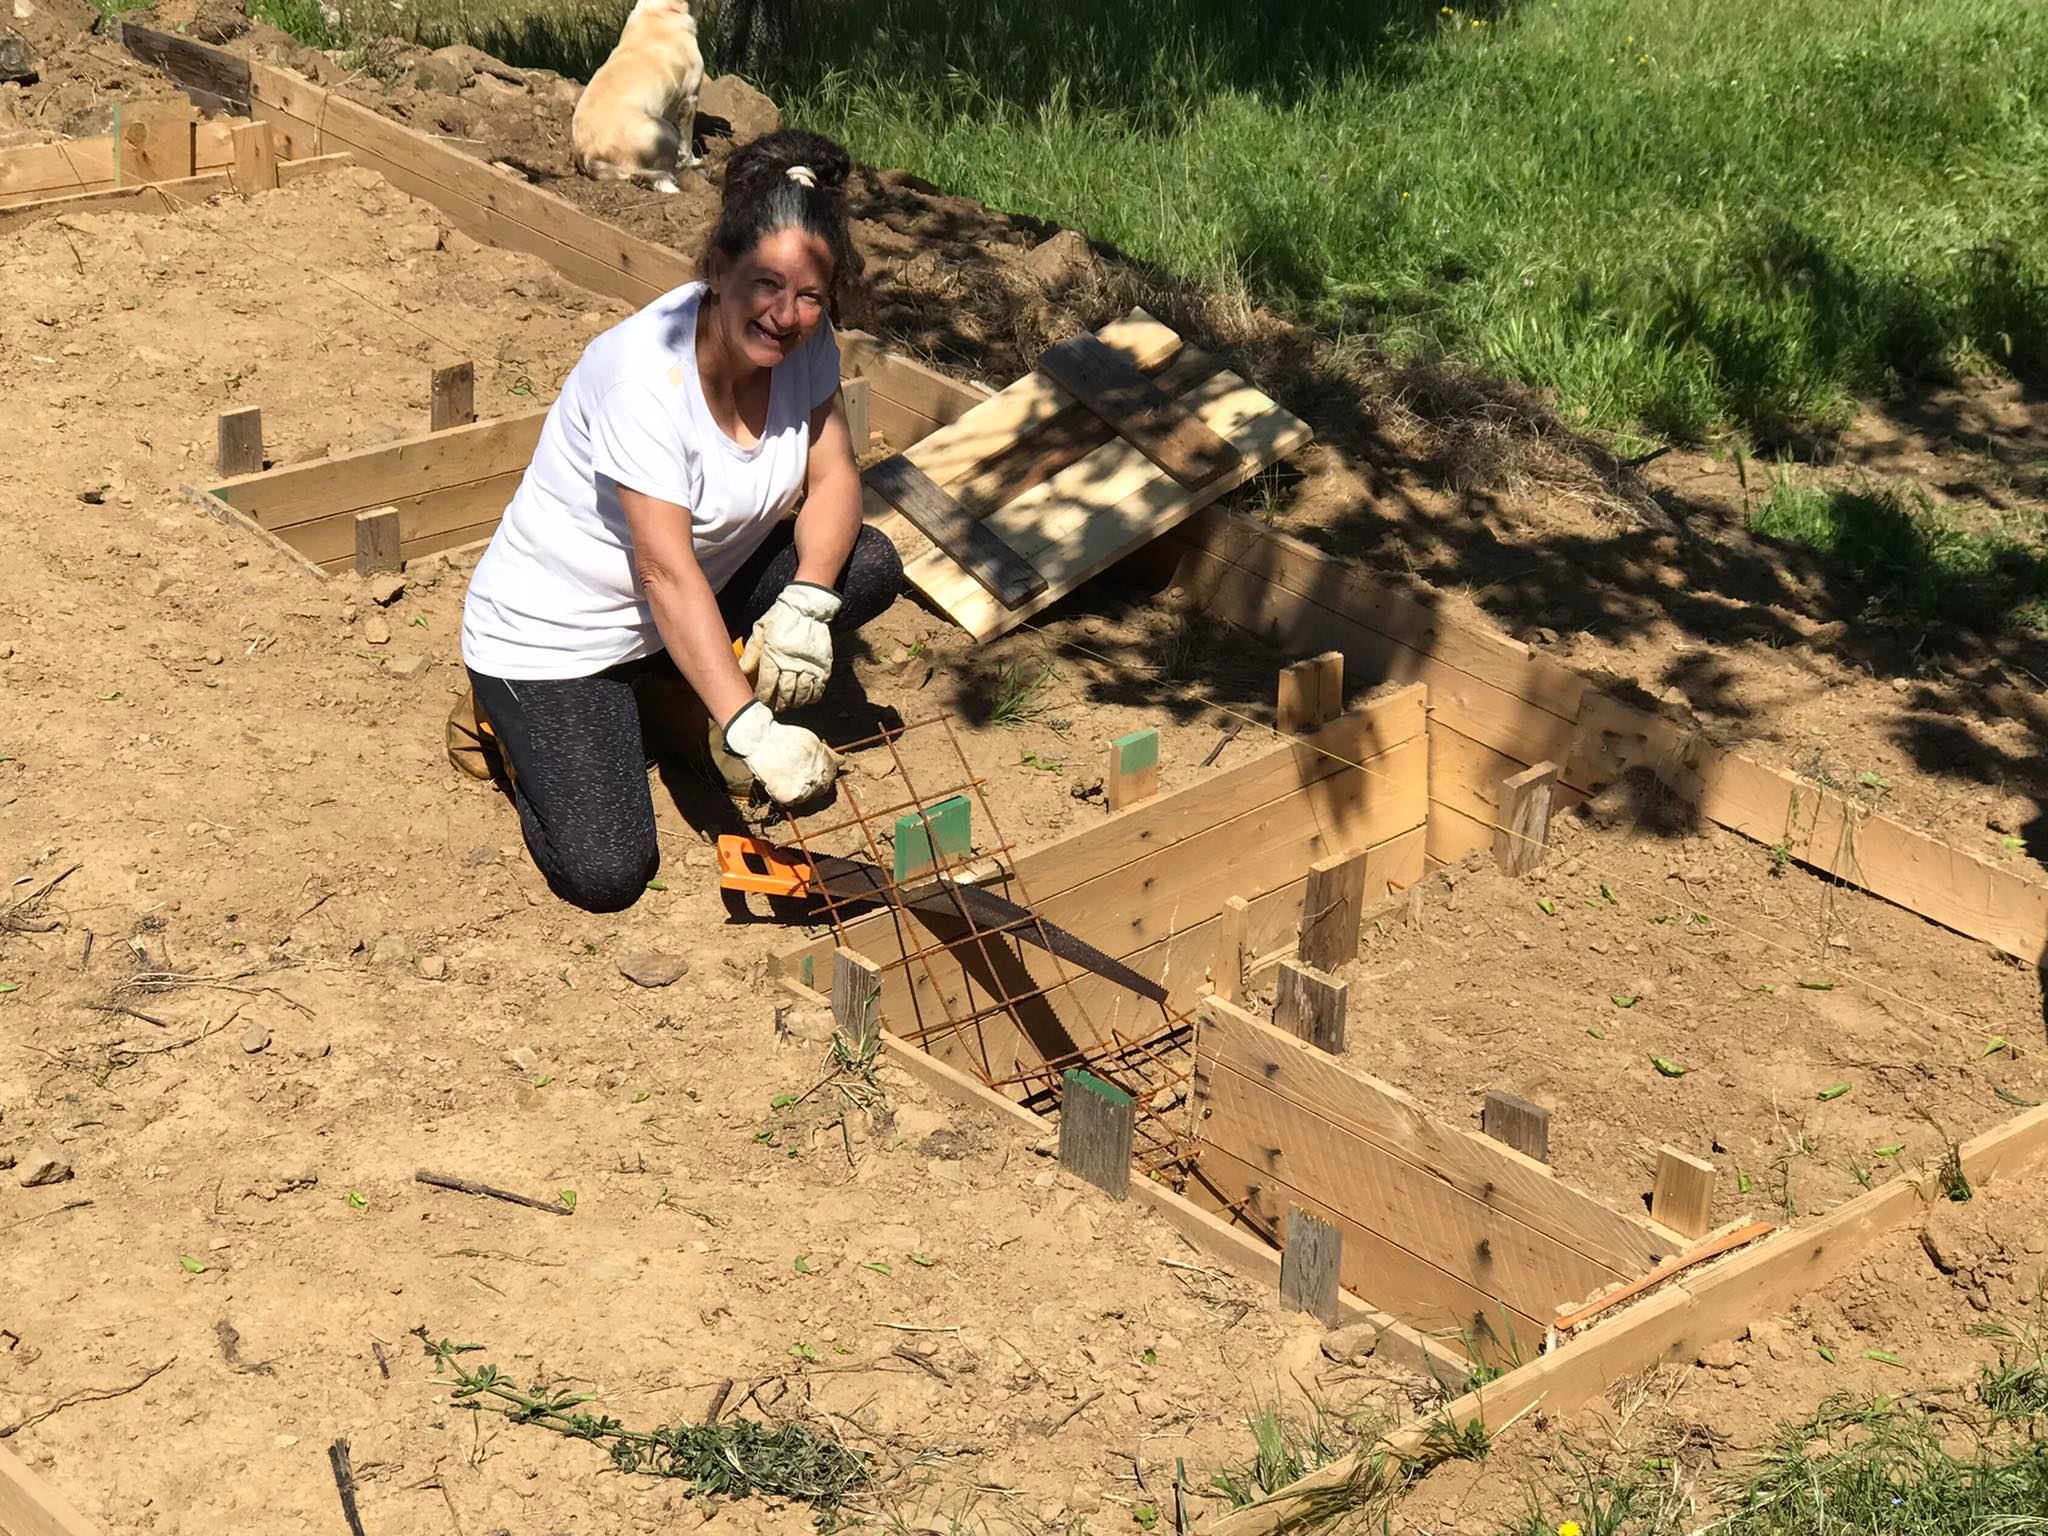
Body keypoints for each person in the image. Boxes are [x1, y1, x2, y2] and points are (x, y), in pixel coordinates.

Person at [448, 127, 903, 913]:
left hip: (672, 611)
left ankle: (669, 699)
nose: (786, 317)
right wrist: (751, 728)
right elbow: (664, 569)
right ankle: (504, 719)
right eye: (766, 286)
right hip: (559, 637)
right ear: (719, 269)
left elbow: (833, 478)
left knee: (862, 565)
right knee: (609, 872)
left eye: (809, 298)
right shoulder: (644, 380)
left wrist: (807, 602)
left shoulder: (806, 342)